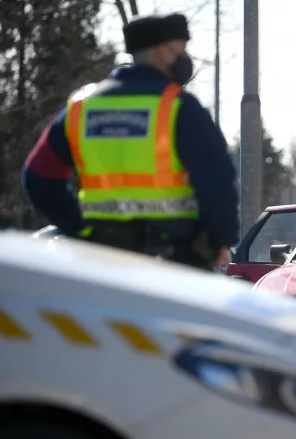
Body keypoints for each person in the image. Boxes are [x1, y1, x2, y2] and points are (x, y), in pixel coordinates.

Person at [22, 13, 239, 269]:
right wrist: (219, 239)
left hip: (101, 263)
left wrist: (79, 228)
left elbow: (38, 177)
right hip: (173, 264)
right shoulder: (179, 108)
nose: (184, 58)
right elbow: (217, 182)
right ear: (160, 52)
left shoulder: (81, 108)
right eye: (180, 49)